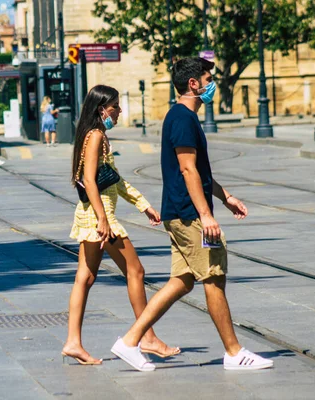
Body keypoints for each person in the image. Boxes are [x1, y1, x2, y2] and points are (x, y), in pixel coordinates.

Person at [110, 58, 274, 372]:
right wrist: (205, 215)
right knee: (213, 277)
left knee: (182, 281)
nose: (212, 85)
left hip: (180, 212)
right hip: (188, 215)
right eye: (208, 79)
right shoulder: (183, 119)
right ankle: (233, 351)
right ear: (194, 84)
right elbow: (187, 170)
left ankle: (130, 341)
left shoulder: (182, 117)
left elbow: (198, 170)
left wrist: (225, 198)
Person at [62, 85, 179, 366]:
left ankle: (73, 342)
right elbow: (90, 180)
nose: (120, 111)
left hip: (91, 213)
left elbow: (111, 178)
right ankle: (147, 337)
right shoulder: (96, 136)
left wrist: (143, 205)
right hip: (100, 217)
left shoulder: (93, 136)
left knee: (85, 278)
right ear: (102, 109)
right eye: (116, 107)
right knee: (135, 270)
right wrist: (103, 219)